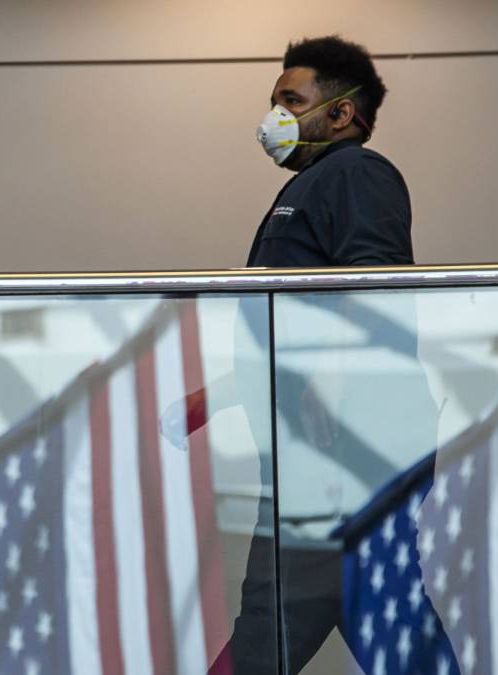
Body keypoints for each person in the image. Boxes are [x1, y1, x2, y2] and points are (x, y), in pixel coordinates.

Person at [161, 36, 452, 673]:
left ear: (341, 113)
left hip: (339, 455)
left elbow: (375, 292)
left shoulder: (357, 174)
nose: (275, 117)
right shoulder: (314, 186)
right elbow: (291, 331)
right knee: (371, 618)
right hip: (322, 452)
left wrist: (330, 391)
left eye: (292, 101)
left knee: (275, 621)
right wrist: (214, 397)